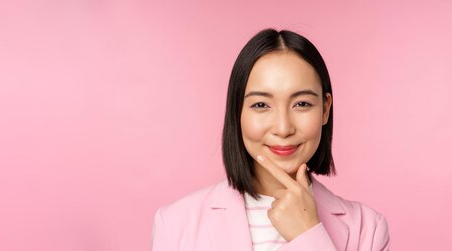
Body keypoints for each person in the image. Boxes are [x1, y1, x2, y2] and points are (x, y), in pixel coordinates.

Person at [151, 29, 391, 251]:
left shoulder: (368, 229)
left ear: (325, 110)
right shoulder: (174, 224)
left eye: (302, 104)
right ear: (237, 111)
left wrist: (308, 235)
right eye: (261, 105)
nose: (283, 128)